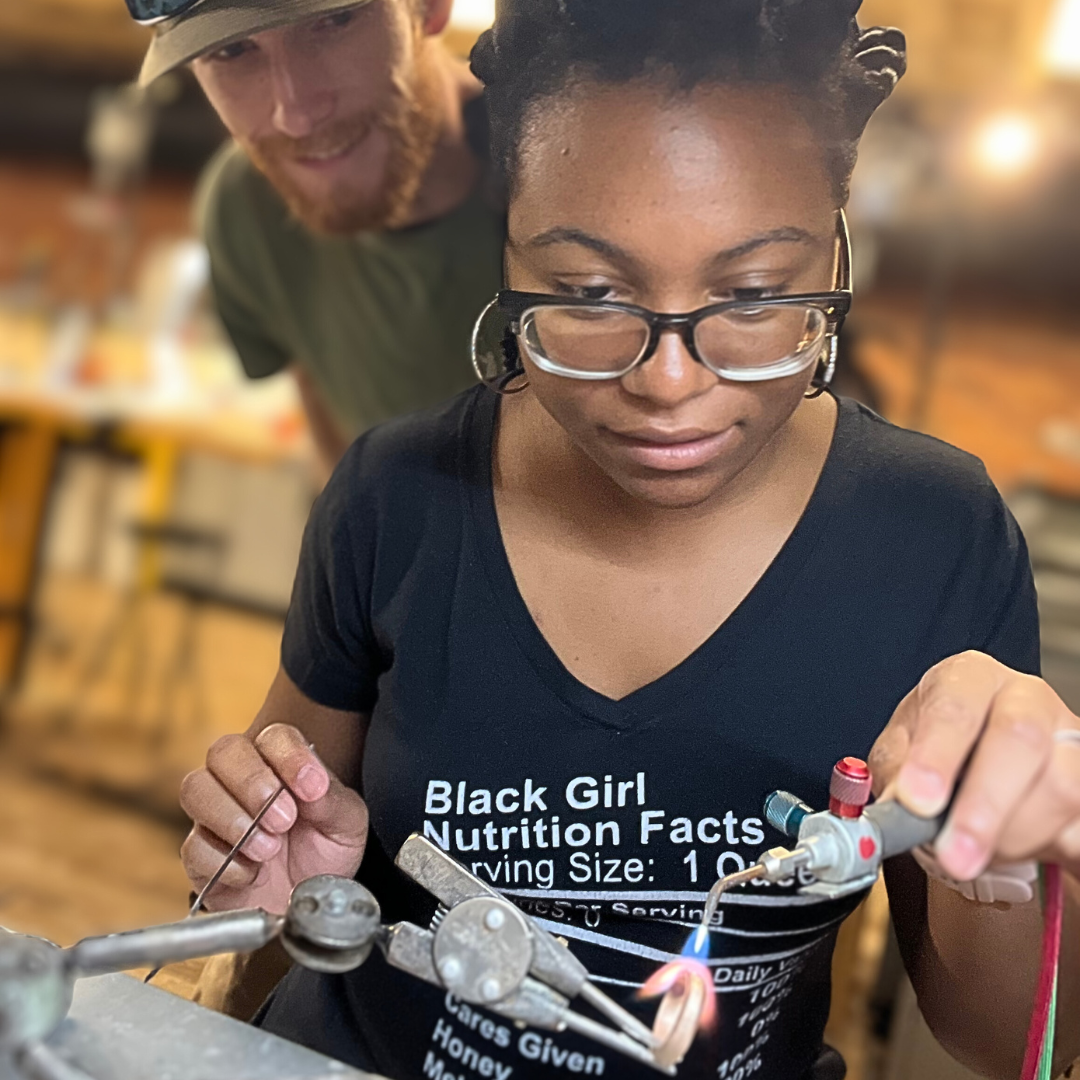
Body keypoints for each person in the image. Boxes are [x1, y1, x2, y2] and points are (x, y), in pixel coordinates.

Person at [177, 1, 1080, 1078]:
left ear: (836, 251)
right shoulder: (394, 494)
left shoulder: (935, 536)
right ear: (508, 255)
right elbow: (279, 904)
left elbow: (1000, 1038)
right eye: (588, 292)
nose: (667, 384)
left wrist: (999, 855)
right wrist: (269, 896)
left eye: (751, 293)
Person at [133, 0, 505, 472]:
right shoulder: (245, 213)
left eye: (334, 21)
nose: (297, 114)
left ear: (428, 7)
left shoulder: (579, 181)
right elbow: (322, 404)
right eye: (232, 51)